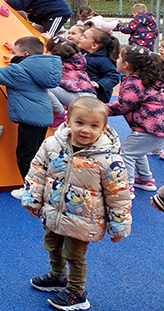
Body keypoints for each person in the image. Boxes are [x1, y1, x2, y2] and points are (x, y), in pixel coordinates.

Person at [22, 96, 131, 311]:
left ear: (103, 128)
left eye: (94, 125)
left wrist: (118, 225)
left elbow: (118, 195)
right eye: (79, 123)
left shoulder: (108, 159)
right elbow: (37, 172)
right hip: (54, 211)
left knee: (75, 255)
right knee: (52, 244)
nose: (85, 130)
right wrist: (33, 198)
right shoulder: (53, 144)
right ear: (68, 121)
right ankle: (57, 276)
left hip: (84, 219)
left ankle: (76, 291)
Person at [0, 36, 62, 198]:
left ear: (25, 54)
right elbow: (22, 65)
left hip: (30, 120)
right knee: (36, 155)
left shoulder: (18, 71)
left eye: (16, 52)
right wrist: (14, 52)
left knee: (25, 157)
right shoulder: (40, 68)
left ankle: (31, 190)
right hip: (42, 117)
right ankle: (43, 186)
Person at [105, 44, 164, 195]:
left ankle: (127, 186)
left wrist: (99, 110)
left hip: (148, 127)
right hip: (156, 126)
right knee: (137, 151)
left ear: (126, 64)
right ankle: (145, 179)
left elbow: (123, 105)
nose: (116, 60)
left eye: (119, 58)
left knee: (126, 153)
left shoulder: (134, 82)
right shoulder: (149, 79)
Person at [45, 38, 96, 128]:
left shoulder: (59, 66)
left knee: (46, 88)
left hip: (78, 98)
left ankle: (61, 113)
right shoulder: (79, 61)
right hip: (91, 96)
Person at [78, 27, 120, 103]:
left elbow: (113, 76)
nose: (80, 38)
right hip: (82, 89)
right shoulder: (82, 53)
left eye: (84, 37)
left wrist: (99, 84)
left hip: (97, 96)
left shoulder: (103, 60)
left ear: (94, 45)